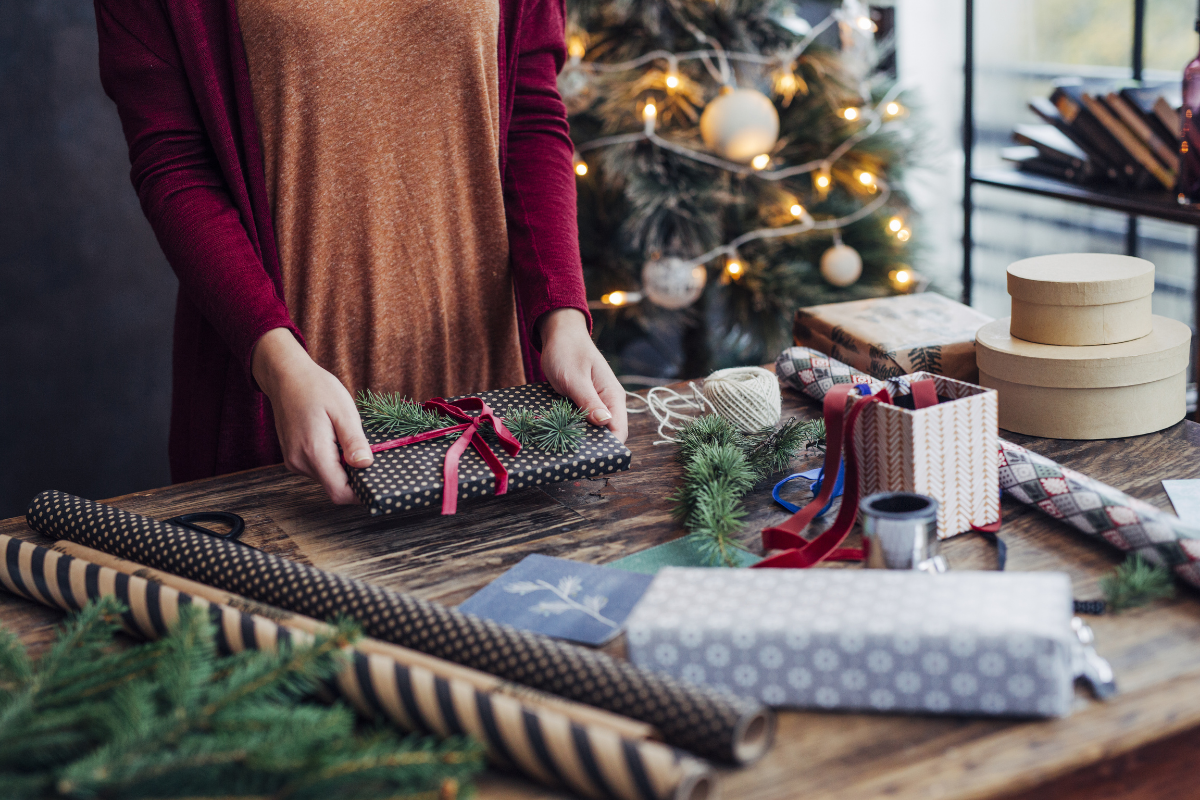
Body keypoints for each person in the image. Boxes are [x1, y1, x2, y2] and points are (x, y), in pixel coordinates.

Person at [94, 0, 627, 504]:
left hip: (498, 400)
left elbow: (530, 118)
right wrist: (280, 369)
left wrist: (564, 321)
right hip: (290, 403)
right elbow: (176, 164)